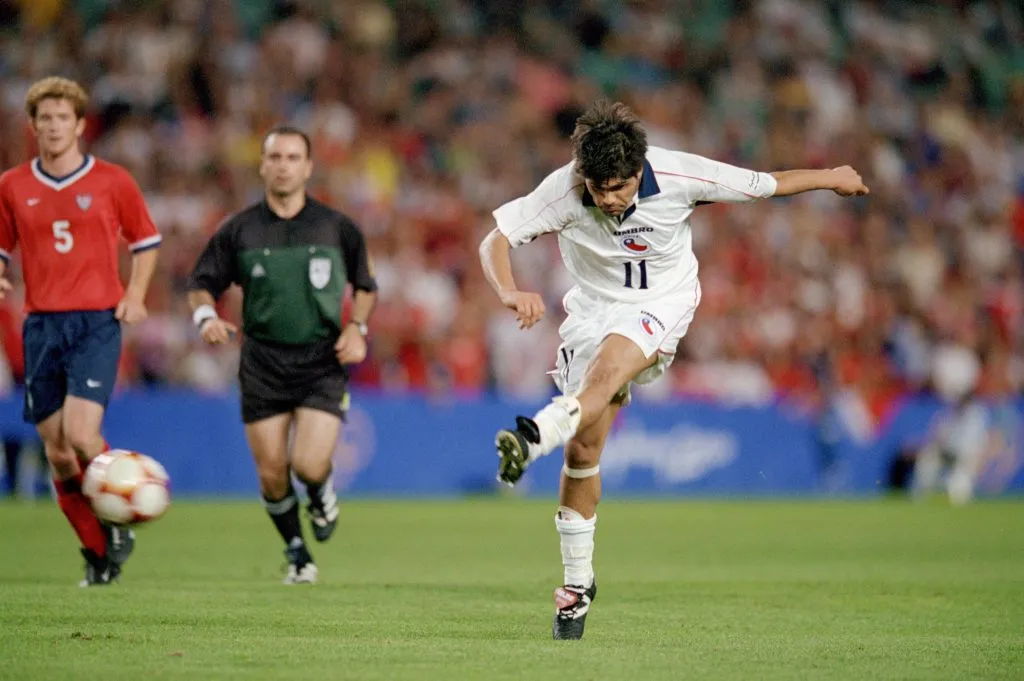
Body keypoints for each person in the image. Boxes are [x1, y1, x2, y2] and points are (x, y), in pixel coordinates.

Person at [479, 100, 869, 639]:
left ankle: (534, 435)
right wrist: (509, 290)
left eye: (619, 187)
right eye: (599, 188)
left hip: (661, 302)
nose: (610, 200)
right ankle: (577, 586)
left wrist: (832, 177)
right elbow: (494, 239)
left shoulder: (683, 174)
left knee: (609, 371)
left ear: (640, 170)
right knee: (585, 450)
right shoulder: (565, 189)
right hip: (590, 309)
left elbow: (767, 183)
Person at [186, 125, 377, 584]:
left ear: (308, 167)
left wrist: (357, 327)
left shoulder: (336, 226)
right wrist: (206, 319)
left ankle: (321, 490)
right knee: (272, 474)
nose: (284, 165)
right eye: (275, 157)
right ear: (263, 165)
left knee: (308, 465)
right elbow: (200, 284)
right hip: (263, 361)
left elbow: (366, 286)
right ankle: (297, 554)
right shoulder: (239, 229)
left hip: (321, 360)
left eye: (293, 157)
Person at [0, 77, 162, 585]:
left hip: (97, 321)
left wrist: (135, 295)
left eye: (62, 118)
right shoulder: (12, 185)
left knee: (81, 434)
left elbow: (146, 241)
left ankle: (120, 503)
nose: (52, 126)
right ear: (34, 126)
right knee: (56, 450)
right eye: (44, 118)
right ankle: (98, 551)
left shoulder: (113, 181)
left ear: (80, 125)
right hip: (42, 324)